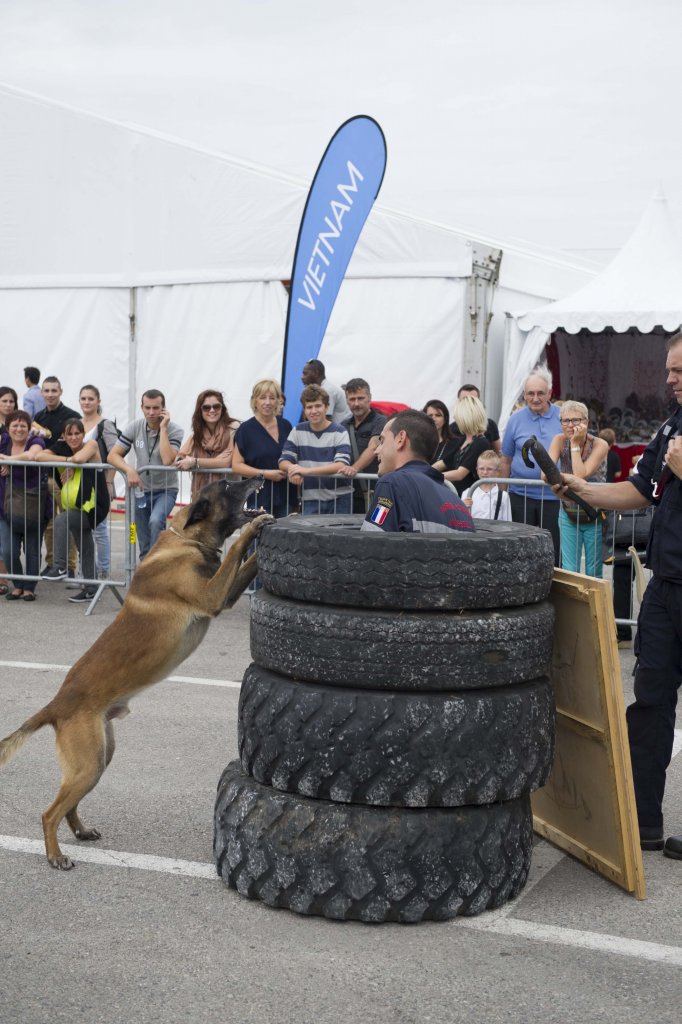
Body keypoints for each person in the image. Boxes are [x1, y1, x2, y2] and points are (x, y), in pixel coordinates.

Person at [555, 333, 682, 858]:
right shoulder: (672, 425)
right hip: (666, 586)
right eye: (670, 370)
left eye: (678, 370)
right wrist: (583, 490)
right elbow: (638, 491)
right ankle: (641, 822)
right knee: (649, 703)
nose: (670, 379)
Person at [362, 409, 474, 533]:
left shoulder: (391, 484)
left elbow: (370, 542)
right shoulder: (457, 503)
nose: (377, 450)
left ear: (401, 439)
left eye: (382, 441)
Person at [38, 418, 110, 603]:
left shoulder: (91, 445)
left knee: (62, 520)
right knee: (85, 546)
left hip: (94, 506)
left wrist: (72, 463)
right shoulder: (63, 448)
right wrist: (68, 461)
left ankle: (60, 566)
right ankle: (91, 588)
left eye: (77, 433)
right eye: (69, 434)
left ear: (83, 434)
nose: (74, 437)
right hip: (78, 506)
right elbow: (39, 456)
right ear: (63, 436)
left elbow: (79, 458)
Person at [107, 389, 183, 558]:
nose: (151, 412)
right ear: (141, 407)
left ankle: (157, 564)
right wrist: (130, 470)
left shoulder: (175, 430)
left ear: (163, 409)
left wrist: (163, 428)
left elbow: (167, 460)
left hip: (166, 490)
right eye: (147, 408)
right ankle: (145, 568)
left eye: (156, 408)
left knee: (156, 521)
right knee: (138, 533)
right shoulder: (135, 426)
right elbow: (112, 455)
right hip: (141, 491)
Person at [500, 368, 562, 563]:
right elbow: (506, 459)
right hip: (520, 496)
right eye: (530, 393)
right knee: (522, 550)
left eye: (540, 393)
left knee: (553, 550)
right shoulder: (515, 419)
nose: (535, 398)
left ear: (550, 394)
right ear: (524, 395)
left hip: (554, 496)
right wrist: (502, 494)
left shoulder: (563, 417)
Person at [547, 400, 608, 577]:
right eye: (565, 421)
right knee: (570, 569)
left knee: (593, 571)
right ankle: (572, 605)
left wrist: (574, 444)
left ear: (586, 423)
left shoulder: (600, 444)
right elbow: (545, 473)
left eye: (576, 420)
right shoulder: (558, 440)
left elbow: (581, 474)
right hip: (568, 512)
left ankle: (591, 605)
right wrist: (553, 475)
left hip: (594, 513)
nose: (570, 425)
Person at [279, 384, 352, 514]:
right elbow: (284, 461)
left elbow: (340, 464)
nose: (313, 411)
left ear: (326, 407)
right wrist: (293, 470)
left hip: (340, 499)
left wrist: (305, 471)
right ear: (304, 410)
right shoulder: (297, 431)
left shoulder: (340, 431)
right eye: (309, 407)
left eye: (318, 406)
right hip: (310, 499)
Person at [0, 410, 50, 601]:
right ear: (8, 428)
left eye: (23, 426)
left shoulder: (36, 442)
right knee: (8, 550)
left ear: (29, 429)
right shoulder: (3, 441)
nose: (19, 429)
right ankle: (18, 585)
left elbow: (32, 456)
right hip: (5, 506)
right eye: (15, 425)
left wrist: (8, 461)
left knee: (32, 550)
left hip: (33, 505)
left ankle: (29, 587)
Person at [33, 375, 80, 574]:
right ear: (42, 393)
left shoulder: (72, 415)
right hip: (45, 478)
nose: (50, 394)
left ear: (61, 391)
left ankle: (69, 565)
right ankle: (52, 563)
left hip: (66, 479)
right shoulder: (38, 418)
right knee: (50, 524)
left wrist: (71, 466)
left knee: (68, 522)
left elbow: (79, 445)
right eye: (47, 391)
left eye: (54, 390)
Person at [231, 379, 293, 518]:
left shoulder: (286, 426)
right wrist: (265, 474)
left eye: (272, 398)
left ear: (278, 401)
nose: (267, 402)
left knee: (286, 538)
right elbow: (237, 466)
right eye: (262, 397)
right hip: (259, 497)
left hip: (286, 495)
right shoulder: (245, 430)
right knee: (260, 538)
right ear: (255, 401)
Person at [78, 384, 119, 580]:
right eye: (83, 398)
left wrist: (109, 483)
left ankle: (102, 570)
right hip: (79, 485)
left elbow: (115, 454)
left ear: (98, 401)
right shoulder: (76, 423)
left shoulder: (105, 425)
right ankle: (86, 571)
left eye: (90, 399)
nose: (86, 402)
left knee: (99, 530)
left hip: (100, 484)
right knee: (80, 529)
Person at [175, 390, 238, 501]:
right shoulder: (198, 434)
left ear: (222, 409)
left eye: (216, 406)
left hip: (228, 495)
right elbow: (179, 459)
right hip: (202, 495)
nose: (212, 410)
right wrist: (215, 461)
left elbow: (226, 462)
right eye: (206, 407)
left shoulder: (233, 427)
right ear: (200, 410)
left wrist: (194, 462)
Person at [341, 378, 386, 513]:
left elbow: (373, 447)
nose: (356, 403)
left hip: (378, 492)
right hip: (349, 494)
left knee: (377, 528)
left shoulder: (381, 421)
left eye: (360, 398)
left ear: (369, 398)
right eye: (352, 399)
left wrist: (353, 469)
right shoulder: (343, 425)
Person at [433, 395, 491, 495]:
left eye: (458, 417)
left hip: (469, 499)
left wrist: (430, 475)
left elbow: (460, 474)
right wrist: (423, 471)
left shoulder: (480, 443)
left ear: (466, 417)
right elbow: (443, 463)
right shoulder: (463, 439)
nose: (456, 420)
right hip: (458, 496)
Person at [0, 388, 19, 592]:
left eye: (11, 401)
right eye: (4, 401)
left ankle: (4, 579)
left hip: (12, 488)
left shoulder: (19, 424)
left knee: (5, 535)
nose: (8, 405)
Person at [461, 449, 512, 520]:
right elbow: (460, 520)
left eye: (489, 469)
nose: (485, 472)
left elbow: (508, 522)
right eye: (481, 469)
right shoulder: (467, 493)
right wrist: (462, 507)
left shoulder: (503, 496)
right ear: (477, 470)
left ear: (497, 471)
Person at [451, 384, 502, 453]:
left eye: (473, 400)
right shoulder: (452, 429)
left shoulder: (490, 425)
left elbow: (498, 451)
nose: (468, 404)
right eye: (465, 400)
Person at [422, 399, 461, 464]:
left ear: (445, 419)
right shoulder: (417, 442)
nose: (433, 419)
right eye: (430, 415)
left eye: (438, 415)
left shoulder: (455, 443)